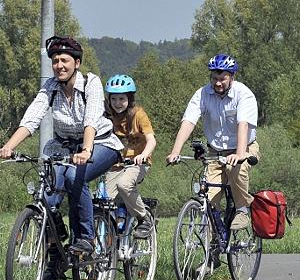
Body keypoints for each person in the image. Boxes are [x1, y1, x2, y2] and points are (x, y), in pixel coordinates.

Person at [0, 36, 123, 280]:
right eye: (55, 61)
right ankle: (57, 255)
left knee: (76, 177)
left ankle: (86, 237)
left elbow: (91, 120)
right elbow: (32, 118)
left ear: (76, 63)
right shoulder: (51, 87)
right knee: (46, 196)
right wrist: (8, 147)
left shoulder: (91, 83)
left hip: (100, 143)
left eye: (64, 60)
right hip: (64, 145)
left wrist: (86, 150)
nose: (59, 65)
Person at [166, 54, 260, 230]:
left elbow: (243, 125)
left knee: (235, 168)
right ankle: (213, 244)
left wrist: (240, 154)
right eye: (214, 78)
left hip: (244, 147)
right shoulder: (202, 94)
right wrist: (175, 151)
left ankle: (242, 210)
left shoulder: (244, 94)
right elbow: (188, 122)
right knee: (209, 199)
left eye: (222, 79)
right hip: (215, 152)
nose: (218, 83)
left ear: (232, 77)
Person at [103, 74, 156, 239]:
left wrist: (144, 155)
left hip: (137, 162)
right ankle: (114, 239)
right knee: (104, 200)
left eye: (122, 99)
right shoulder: (107, 115)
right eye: (114, 99)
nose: (118, 103)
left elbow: (151, 140)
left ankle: (144, 218)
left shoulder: (138, 114)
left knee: (124, 185)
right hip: (115, 163)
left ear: (130, 98)